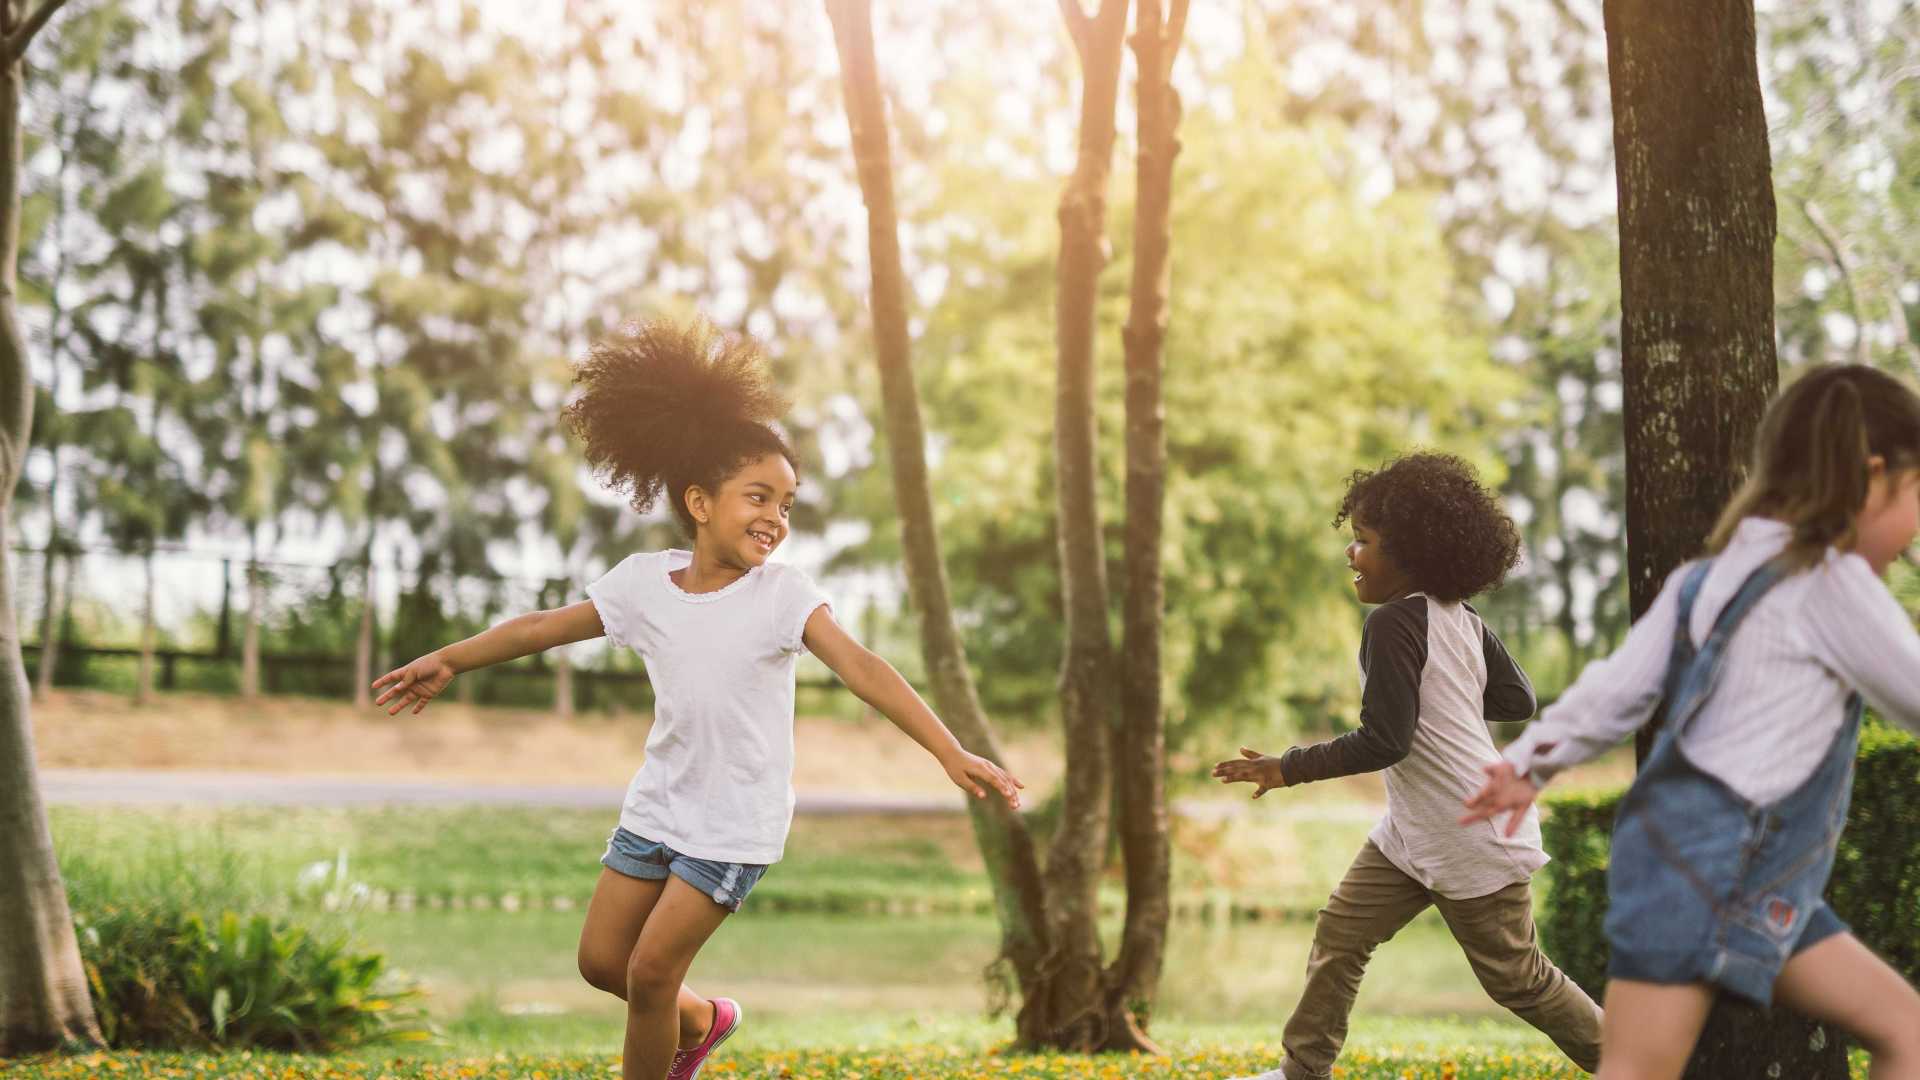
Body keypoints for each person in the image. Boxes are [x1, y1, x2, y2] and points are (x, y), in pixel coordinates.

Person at [372, 319, 1022, 1080]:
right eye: (758, 496)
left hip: (733, 823)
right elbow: (546, 627)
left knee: (649, 974)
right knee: (602, 962)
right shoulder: (645, 585)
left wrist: (949, 751)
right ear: (700, 502)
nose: (776, 518)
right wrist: (450, 658)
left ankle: (676, 1037)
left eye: (787, 503)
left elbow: (864, 668)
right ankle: (706, 1020)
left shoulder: (784, 597)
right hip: (659, 804)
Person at [1465, 363, 1920, 1079]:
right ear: (1871, 477)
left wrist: (1528, 764)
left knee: (1905, 1030)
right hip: (1713, 869)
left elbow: (1614, 691)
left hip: (1729, 873)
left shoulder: (1702, 582)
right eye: (1918, 493)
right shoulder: (1832, 582)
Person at [1217, 451, 1602, 1080]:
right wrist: (1450, 698)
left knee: (1521, 981)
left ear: (1412, 553)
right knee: (1342, 934)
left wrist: (1288, 768)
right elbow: (1517, 699)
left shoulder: (1394, 622)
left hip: (1468, 833)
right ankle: (1301, 1072)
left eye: (1364, 541)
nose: (1351, 554)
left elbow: (1384, 742)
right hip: (1415, 830)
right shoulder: (1463, 621)